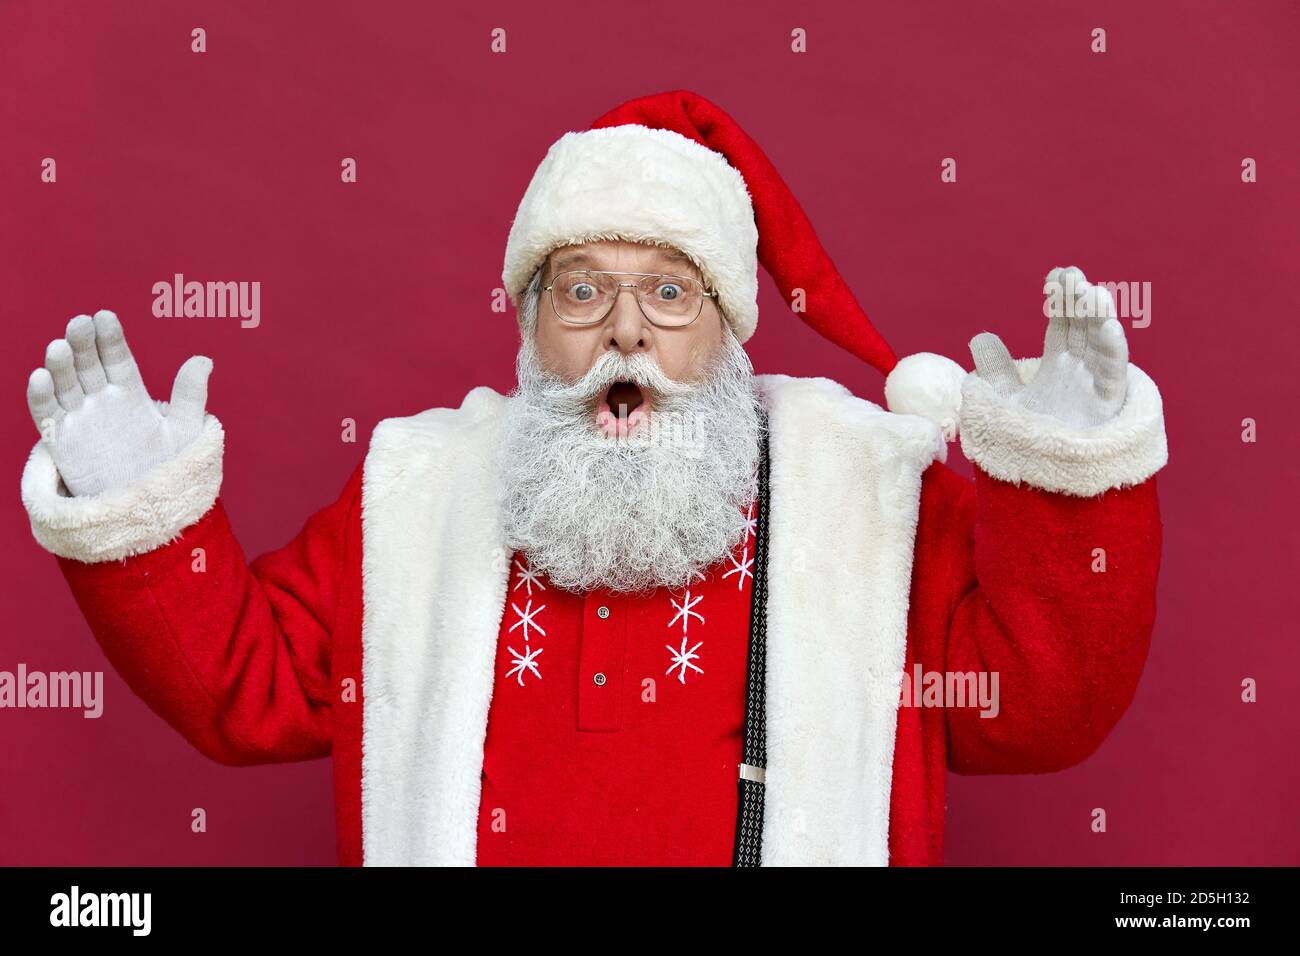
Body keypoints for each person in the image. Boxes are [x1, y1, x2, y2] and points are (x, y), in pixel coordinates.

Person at [19, 90, 1167, 866]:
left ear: (727, 327)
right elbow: (246, 690)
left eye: (669, 292)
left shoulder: (864, 490)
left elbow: (1038, 709)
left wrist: (1069, 485)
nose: (624, 332)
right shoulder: (419, 495)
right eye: (581, 290)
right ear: (529, 327)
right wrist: (140, 503)